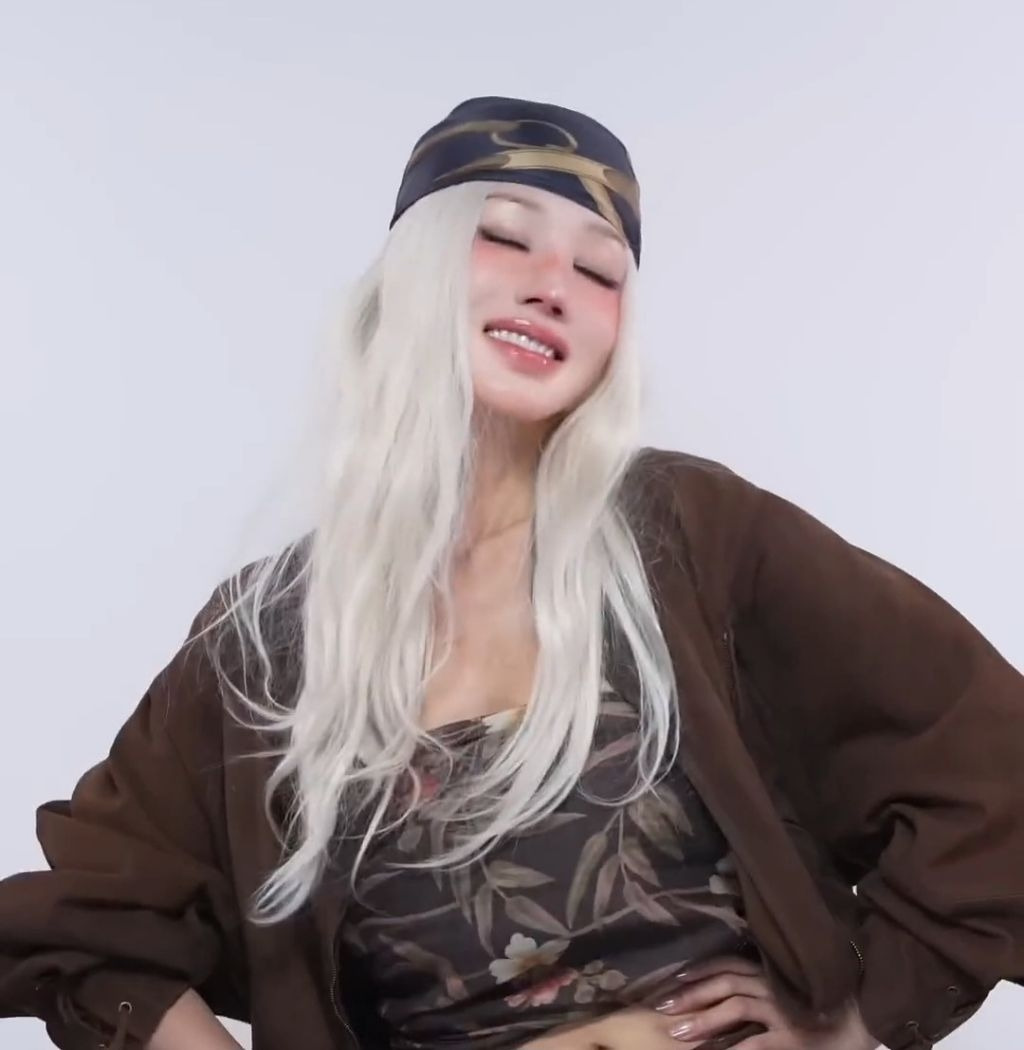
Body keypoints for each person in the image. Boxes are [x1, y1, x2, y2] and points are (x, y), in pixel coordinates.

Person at [1, 95, 1021, 1050]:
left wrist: (860, 1018)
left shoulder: (689, 532)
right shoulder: (270, 637)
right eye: (505, 235)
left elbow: (992, 762)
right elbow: (95, 922)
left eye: (601, 272)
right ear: (415, 265)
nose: (554, 285)